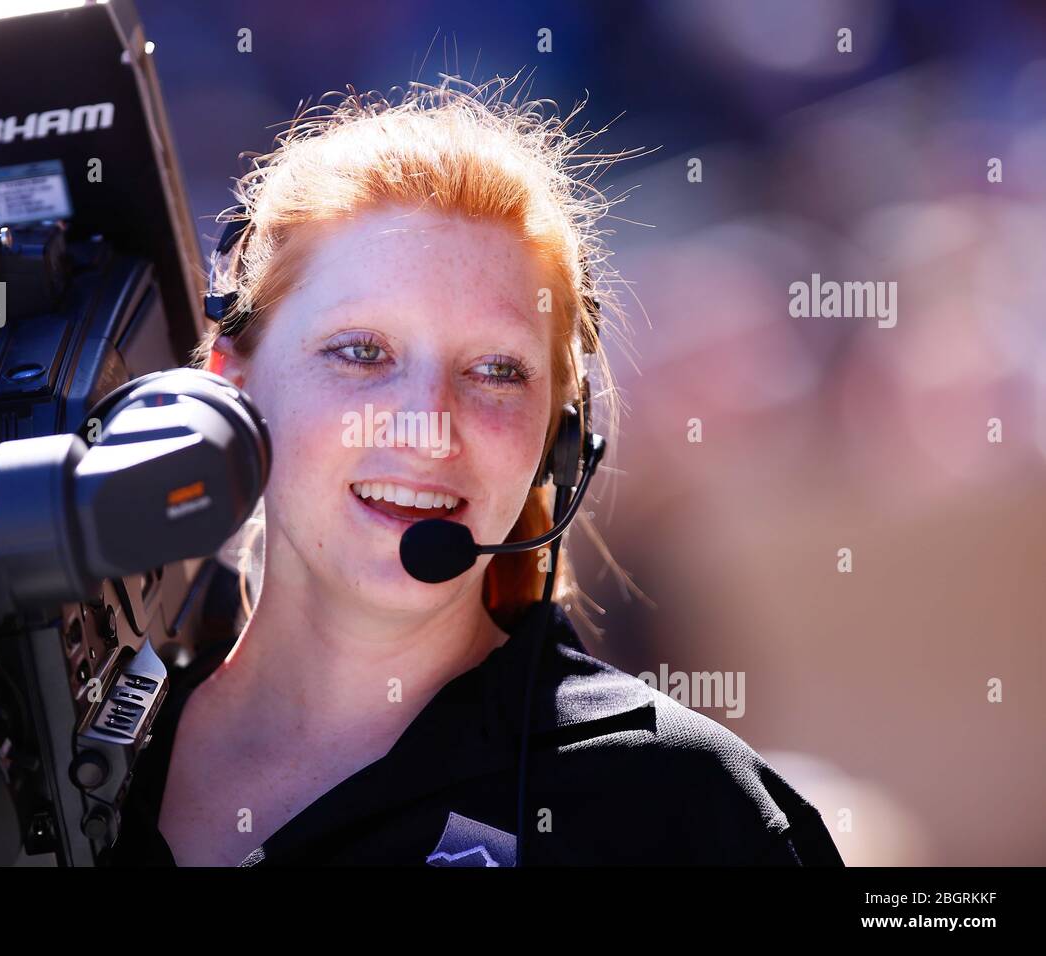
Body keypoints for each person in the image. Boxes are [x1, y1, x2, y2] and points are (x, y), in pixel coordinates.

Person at [104, 77, 845, 867]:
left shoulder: (682, 809)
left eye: (495, 371)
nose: (427, 427)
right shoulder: (50, 763)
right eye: (361, 352)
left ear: (559, 439)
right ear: (232, 382)